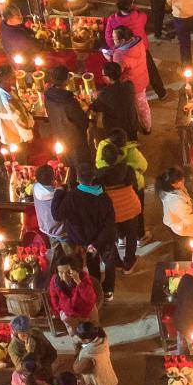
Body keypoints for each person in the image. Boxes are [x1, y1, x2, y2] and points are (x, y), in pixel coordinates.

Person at [53, 166, 122, 295]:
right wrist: (97, 244)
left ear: (78, 179)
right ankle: (108, 290)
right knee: (109, 262)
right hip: (104, 239)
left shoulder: (72, 197)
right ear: (93, 177)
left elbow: (57, 215)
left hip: (84, 240)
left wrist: (59, 192)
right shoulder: (104, 197)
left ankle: (95, 288)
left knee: (92, 264)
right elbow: (110, 224)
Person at [43, 66, 93, 166]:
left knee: (65, 160)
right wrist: (86, 110)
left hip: (58, 132)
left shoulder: (48, 95)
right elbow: (82, 121)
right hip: (73, 137)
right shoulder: (69, 101)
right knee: (78, 162)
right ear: (66, 80)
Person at [47, 249, 98, 334]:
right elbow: (53, 297)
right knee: (74, 334)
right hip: (68, 313)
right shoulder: (55, 280)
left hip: (84, 310)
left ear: (74, 270)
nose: (64, 276)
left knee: (91, 331)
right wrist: (59, 311)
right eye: (60, 272)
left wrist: (78, 282)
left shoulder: (83, 277)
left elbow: (91, 299)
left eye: (68, 272)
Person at [73, 321, 119, 385]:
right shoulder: (101, 338)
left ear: (86, 339)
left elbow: (76, 368)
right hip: (106, 373)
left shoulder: (89, 355)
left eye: (78, 336)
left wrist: (78, 348)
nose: (76, 337)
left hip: (97, 381)